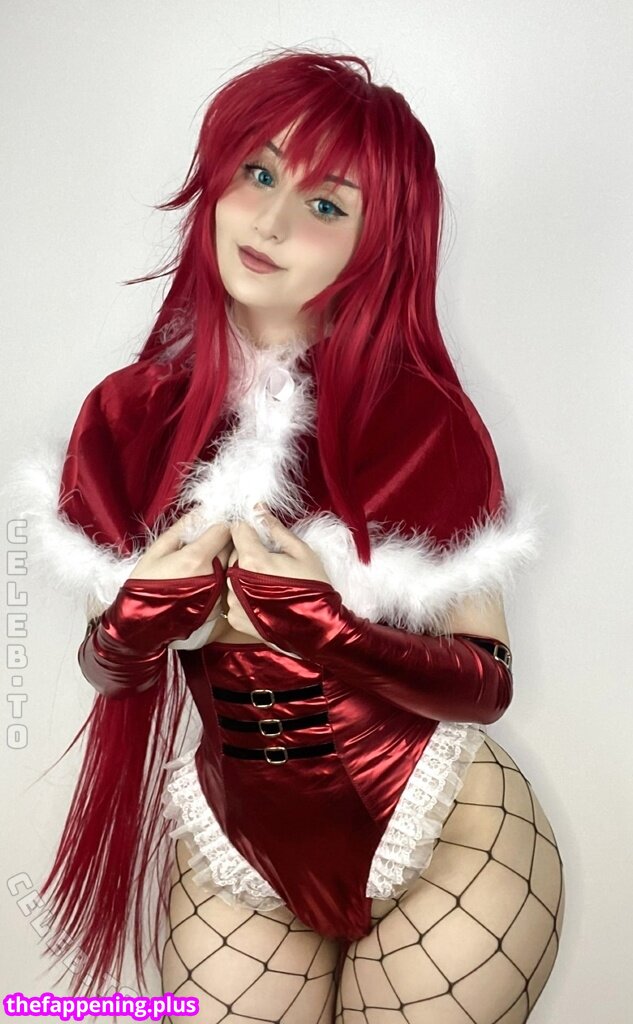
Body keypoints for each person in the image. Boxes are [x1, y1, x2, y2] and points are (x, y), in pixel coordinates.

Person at [11, 50, 565, 1023]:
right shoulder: (125, 418)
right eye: (258, 172)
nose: (269, 221)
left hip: (449, 839)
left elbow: (486, 682)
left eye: (324, 204)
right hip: (241, 847)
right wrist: (133, 624)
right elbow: (114, 672)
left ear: (375, 244)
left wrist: (331, 631)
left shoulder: (422, 420)